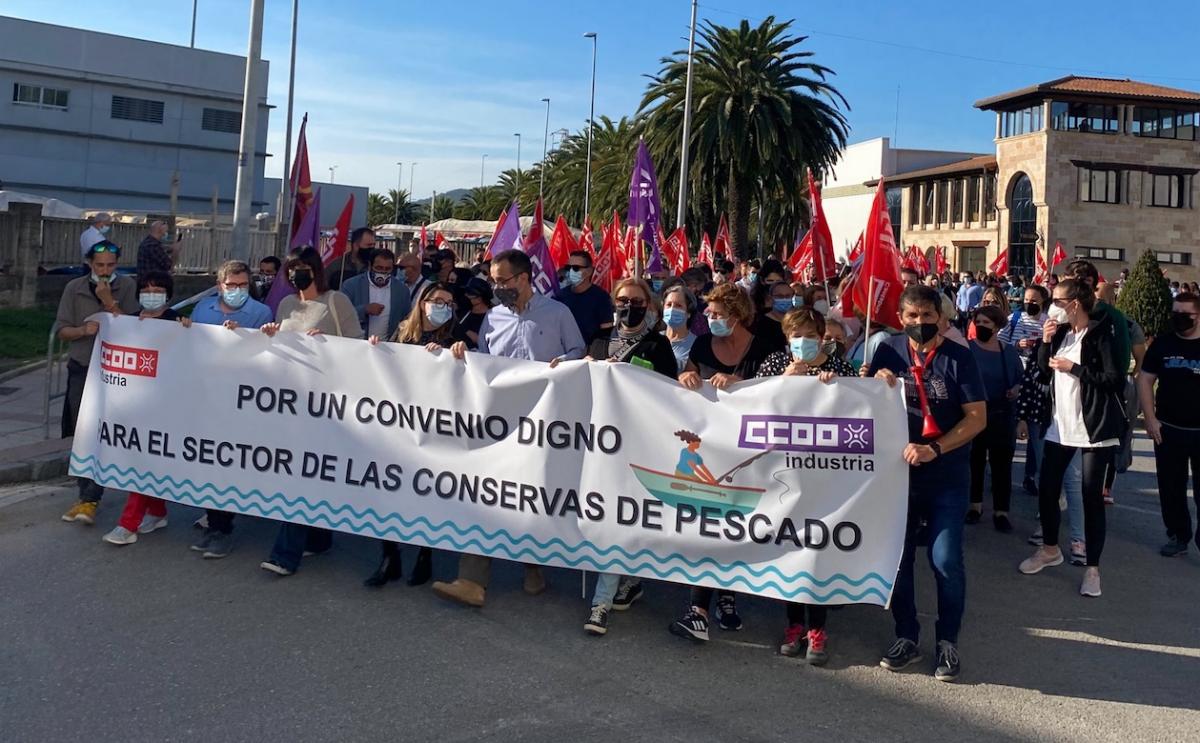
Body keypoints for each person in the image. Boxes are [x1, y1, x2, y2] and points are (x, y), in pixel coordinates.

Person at [431, 249, 585, 608]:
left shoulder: (558, 313)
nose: (496, 287)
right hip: (498, 422)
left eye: (502, 281)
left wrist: (563, 363)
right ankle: (471, 580)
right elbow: (484, 361)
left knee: (528, 495)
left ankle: (533, 566)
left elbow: (579, 351)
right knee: (486, 493)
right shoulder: (493, 316)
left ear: (523, 278)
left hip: (541, 423)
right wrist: (463, 353)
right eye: (493, 280)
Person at [869, 285, 987, 682]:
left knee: (945, 560)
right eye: (912, 316)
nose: (920, 322)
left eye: (927, 315)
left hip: (946, 477)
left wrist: (935, 449)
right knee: (899, 560)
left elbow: (977, 418)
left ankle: (947, 640)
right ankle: (906, 635)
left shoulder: (959, 357)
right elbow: (862, 404)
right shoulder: (887, 351)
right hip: (897, 477)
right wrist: (872, 383)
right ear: (900, 319)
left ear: (941, 317)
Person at [671, 283, 776, 642]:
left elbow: (778, 392)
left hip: (749, 453)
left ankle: (728, 596)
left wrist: (741, 384)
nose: (710, 318)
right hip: (710, 447)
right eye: (709, 312)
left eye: (717, 314)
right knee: (707, 524)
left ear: (737, 315)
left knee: (736, 525)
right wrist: (686, 376)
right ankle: (698, 609)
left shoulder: (764, 346)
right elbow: (685, 381)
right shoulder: (702, 344)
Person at [755, 307, 855, 665]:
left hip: (823, 474)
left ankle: (818, 628)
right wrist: (785, 379)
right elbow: (754, 403)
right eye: (796, 335)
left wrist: (838, 387)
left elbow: (860, 405)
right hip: (783, 474)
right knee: (790, 549)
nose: (803, 342)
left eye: (811, 335)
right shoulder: (774, 363)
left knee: (817, 550)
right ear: (787, 337)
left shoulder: (838, 366)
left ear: (821, 337)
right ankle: (794, 624)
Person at [1019, 279, 1126, 599]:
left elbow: (1113, 379)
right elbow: (1042, 371)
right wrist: (1045, 342)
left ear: (1075, 303)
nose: (1052, 306)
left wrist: (1075, 368)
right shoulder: (1060, 332)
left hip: (1092, 429)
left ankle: (1092, 569)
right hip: (1060, 425)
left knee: (1091, 496)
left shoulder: (1100, 334)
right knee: (1048, 488)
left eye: (1057, 300)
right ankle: (1050, 549)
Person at [258, 248, 363, 577]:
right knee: (309, 473)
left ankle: (285, 555)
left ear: (316, 269)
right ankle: (318, 538)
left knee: (301, 475)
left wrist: (329, 344)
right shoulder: (286, 305)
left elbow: (358, 346)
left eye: (303, 267)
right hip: (292, 401)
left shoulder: (336, 301)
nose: (297, 273)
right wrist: (272, 336)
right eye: (292, 268)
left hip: (326, 402)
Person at [584, 278, 678, 637]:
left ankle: (602, 602)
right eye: (623, 300)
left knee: (621, 517)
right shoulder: (598, 339)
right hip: (599, 441)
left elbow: (669, 393)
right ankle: (629, 578)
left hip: (638, 442)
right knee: (610, 515)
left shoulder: (658, 345)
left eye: (637, 301)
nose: (629, 306)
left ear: (648, 306)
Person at [362, 283, 461, 587]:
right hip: (399, 424)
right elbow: (386, 368)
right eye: (437, 300)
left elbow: (465, 377)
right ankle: (389, 556)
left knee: (426, 492)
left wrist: (453, 356)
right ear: (422, 302)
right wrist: (376, 349)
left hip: (433, 428)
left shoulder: (454, 337)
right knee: (389, 491)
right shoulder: (404, 332)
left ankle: (424, 555)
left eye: (449, 302)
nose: (443, 306)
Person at [188, 260, 275, 558]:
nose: (237, 290)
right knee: (207, 463)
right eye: (231, 285)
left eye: (243, 285)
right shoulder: (203, 309)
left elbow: (263, 353)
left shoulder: (260, 313)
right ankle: (213, 521)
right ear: (219, 285)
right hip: (204, 397)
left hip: (239, 401)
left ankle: (222, 529)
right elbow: (189, 344)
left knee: (226, 465)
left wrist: (243, 338)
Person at [101, 271, 191, 545]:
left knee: (142, 461)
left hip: (165, 405)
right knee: (145, 459)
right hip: (135, 403)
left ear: (168, 294)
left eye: (158, 290)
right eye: (147, 289)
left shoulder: (176, 321)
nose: (152, 294)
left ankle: (128, 524)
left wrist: (187, 329)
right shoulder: (132, 320)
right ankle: (157, 511)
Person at [58, 240, 142, 525]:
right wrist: (82, 330)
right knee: (82, 431)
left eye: (110, 265)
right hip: (82, 366)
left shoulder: (127, 286)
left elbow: (134, 327)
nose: (105, 271)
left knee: (105, 432)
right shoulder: (75, 288)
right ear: (89, 264)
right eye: (99, 265)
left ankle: (91, 497)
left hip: (114, 370)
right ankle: (86, 496)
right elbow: (62, 329)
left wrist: (108, 301)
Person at [1138, 292, 1200, 557]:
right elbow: (1145, 379)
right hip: (1168, 429)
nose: (1179, 319)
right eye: (1175, 313)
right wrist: (1150, 418)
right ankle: (1178, 535)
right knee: (1171, 487)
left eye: (1186, 315)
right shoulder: (1163, 344)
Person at [965, 305, 1024, 532]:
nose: (981, 326)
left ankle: (1001, 512)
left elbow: (1020, 380)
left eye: (986, 323)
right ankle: (975, 506)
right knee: (975, 461)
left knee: (1002, 465)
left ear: (997, 326)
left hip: (1001, 414)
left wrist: (1016, 389)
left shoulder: (1007, 352)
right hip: (974, 413)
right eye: (978, 322)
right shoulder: (967, 349)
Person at [1095, 281, 1145, 505]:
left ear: (1112, 300)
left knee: (1119, 434)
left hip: (1122, 384)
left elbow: (1140, 358)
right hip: (1096, 381)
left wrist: (1132, 384)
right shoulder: (1089, 320)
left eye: (1101, 298)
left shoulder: (1128, 324)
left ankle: (1107, 486)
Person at [339, 248, 412, 341]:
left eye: (387, 269)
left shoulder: (402, 290)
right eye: (379, 268)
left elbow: (407, 318)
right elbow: (340, 315)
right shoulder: (351, 285)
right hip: (357, 343)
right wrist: (364, 309)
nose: (383, 272)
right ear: (370, 266)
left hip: (387, 345)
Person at [555, 250, 615, 358]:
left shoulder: (602, 298)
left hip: (590, 357)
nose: (571, 272)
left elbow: (606, 333)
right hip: (564, 356)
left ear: (589, 271)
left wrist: (594, 354)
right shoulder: (559, 297)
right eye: (568, 267)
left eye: (576, 268)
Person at [662, 284, 697, 373]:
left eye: (678, 305)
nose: (672, 309)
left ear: (689, 312)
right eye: (669, 304)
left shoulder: (696, 345)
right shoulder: (653, 338)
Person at [453, 277, 493, 349]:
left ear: (480, 297)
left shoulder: (492, 317)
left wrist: (464, 329)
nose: (466, 295)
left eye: (470, 293)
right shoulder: (463, 312)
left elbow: (483, 341)